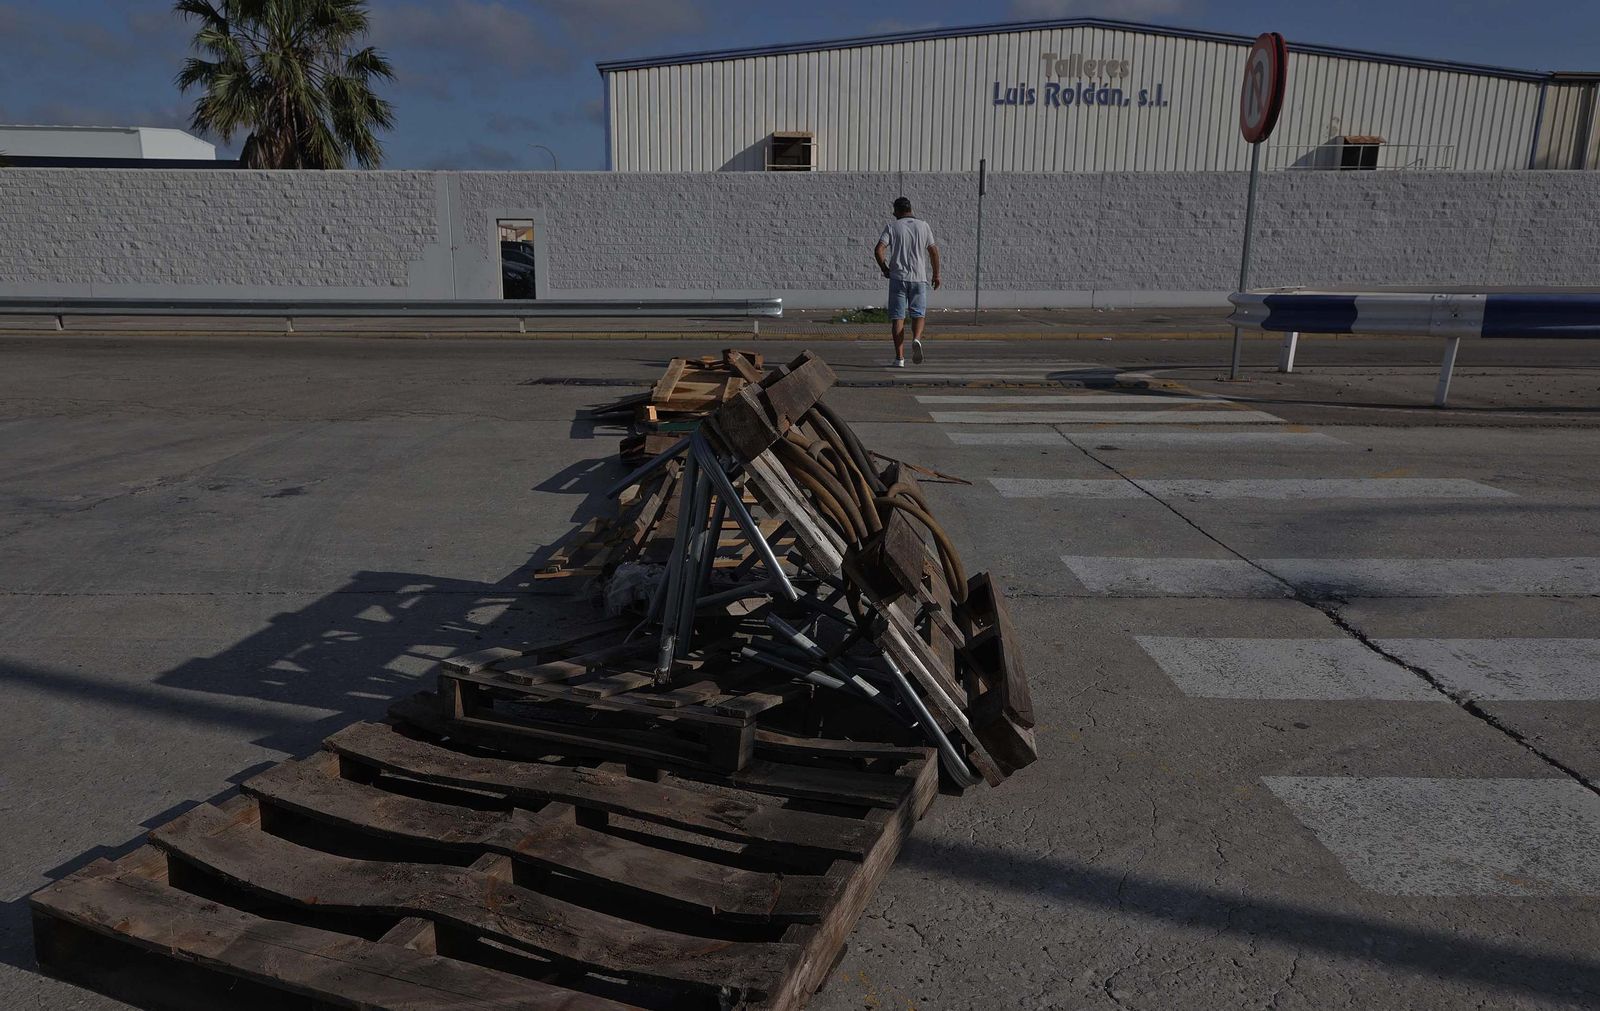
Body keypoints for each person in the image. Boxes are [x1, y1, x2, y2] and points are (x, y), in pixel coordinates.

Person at [874, 196, 941, 367]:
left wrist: (885, 269)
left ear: (897, 211)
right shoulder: (924, 226)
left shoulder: (892, 227)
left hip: (898, 278)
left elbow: (878, 249)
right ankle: (917, 339)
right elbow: (933, 252)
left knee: (898, 318)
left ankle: (900, 359)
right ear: (910, 209)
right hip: (919, 278)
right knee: (919, 313)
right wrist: (936, 275)